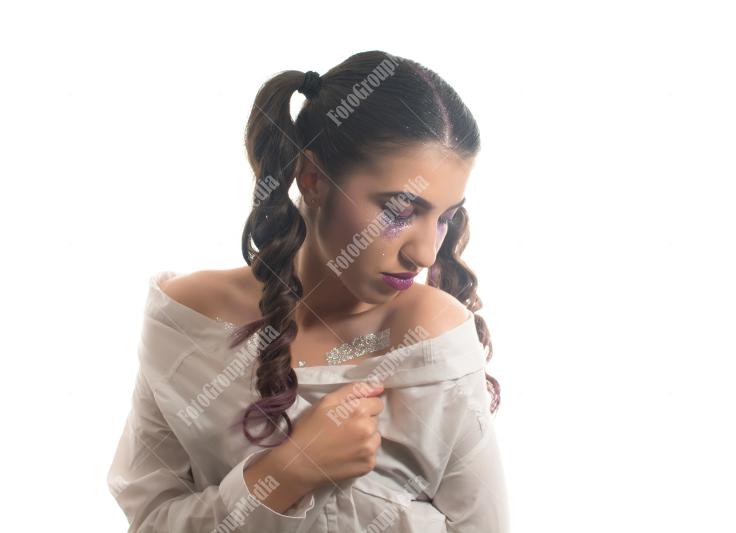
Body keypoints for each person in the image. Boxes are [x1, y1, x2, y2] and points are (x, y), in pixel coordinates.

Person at [107, 50, 508, 532]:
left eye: (445, 218)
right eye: (400, 210)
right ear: (312, 177)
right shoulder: (187, 322)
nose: (424, 253)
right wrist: (284, 473)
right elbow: (151, 521)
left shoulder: (434, 334)